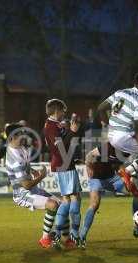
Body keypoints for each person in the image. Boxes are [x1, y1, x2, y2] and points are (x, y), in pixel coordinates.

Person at [80, 144, 138, 248]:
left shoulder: (127, 149)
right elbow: (89, 155)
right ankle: (82, 236)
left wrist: (130, 181)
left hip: (113, 178)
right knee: (94, 204)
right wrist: (88, 167)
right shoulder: (108, 146)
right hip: (97, 178)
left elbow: (120, 167)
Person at [5, 123, 60, 248]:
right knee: (53, 205)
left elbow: (26, 164)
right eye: (20, 134)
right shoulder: (14, 159)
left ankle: (58, 235)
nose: (23, 136)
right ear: (12, 137)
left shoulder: (20, 148)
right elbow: (26, 185)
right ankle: (45, 239)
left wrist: (33, 170)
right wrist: (41, 176)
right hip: (22, 194)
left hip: (32, 189)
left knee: (61, 205)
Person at [97, 72, 138, 199]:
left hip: (112, 134)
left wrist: (107, 124)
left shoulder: (120, 92)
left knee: (136, 151)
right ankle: (127, 174)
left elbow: (100, 108)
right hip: (123, 137)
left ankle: (127, 180)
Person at [43, 99, 82, 249]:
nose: (64, 113)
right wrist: (72, 131)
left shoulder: (52, 125)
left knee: (66, 199)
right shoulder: (51, 127)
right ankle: (73, 234)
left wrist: (67, 130)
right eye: (62, 110)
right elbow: (61, 147)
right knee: (74, 197)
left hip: (62, 163)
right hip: (64, 164)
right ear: (56, 111)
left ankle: (58, 234)